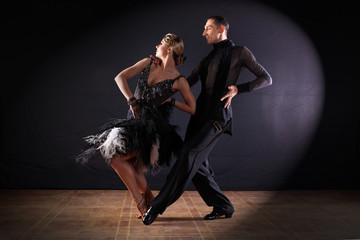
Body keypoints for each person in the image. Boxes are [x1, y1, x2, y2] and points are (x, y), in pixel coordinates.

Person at [143, 16, 272, 225]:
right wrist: (163, 73)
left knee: (187, 155)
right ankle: (223, 206)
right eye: (204, 29)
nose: (204, 32)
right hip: (199, 117)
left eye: (208, 28)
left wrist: (239, 89)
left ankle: (156, 207)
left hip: (217, 118)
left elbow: (267, 78)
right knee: (199, 167)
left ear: (221, 29)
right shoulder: (208, 60)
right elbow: (187, 82)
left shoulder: (240, 52)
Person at [76, 33, 196, 218]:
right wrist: (132, 100)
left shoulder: (179, 80)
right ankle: (148, 198)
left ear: (169, 49)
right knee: (128, 164)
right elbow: (120, 77)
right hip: (133, 124)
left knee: (117, 159)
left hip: (154, 130)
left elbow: (192, 108)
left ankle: (141, 202)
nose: (157, 45)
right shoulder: (148, 63)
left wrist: (172, 102)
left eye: (161, 43)